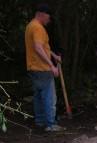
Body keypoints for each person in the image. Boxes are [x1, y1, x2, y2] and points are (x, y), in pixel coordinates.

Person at [25, 3, 65, 132]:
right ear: (41, 15)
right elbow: (38, 48)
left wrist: (53, 55)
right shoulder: (38, 28)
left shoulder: (30, 26)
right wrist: (51, 65)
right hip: (42, 68)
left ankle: (40, 121)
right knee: (49, 97)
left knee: (38, 95)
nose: (49, 20)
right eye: (48, 17)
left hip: (33, 67)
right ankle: (51, 124)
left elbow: (42, 46)